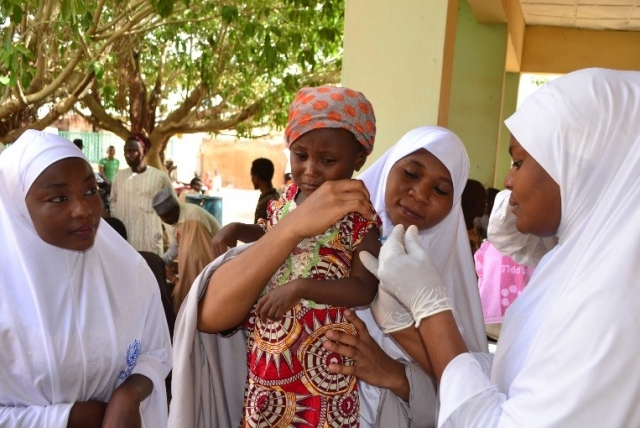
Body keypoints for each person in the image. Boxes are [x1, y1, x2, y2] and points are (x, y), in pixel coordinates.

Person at [350, 68, 640, 426]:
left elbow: (499, 413)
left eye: (518, 162)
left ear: (575, 167)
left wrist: (431, 312)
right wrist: (402, 326)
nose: (507, 180)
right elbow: (510, 373)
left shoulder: (609, 300)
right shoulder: (576, 264)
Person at [195, 85, 382, 427]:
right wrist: (238, 228)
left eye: (328, 160)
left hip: (323, 363)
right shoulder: (287, 199)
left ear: (358, 160)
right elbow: (272, 236)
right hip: (270, 353)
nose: (311, 170)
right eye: (300, 155)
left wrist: (300, 288)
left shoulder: (358, 216)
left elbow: (364, 288)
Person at [0, 130, 172, 427]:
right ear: (18, 208)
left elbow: (156, 350)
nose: (83, 210)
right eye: (59, 198)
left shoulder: (129, 270)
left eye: (90, 191)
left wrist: (130, 393)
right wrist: (66, 418)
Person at [323, 126, 488, 427]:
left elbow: (474, 398)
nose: (420, 194)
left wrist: (395, 375)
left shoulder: (447, 276)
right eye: (411, 174)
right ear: (389, 168)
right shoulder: (333, 237)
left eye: (440, 190)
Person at [152, 186, 221, 312]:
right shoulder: (169, 221)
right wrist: (158, 262)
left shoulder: (194, 216)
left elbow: (204, 252)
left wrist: (174, 277)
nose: (166, 220)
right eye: (163, 218)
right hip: (195, 262)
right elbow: (175, 248)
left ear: (176, 207)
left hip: (213, 257)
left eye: (168, 216)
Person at [110, 133, 172, 254]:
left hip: (150, 241)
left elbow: (171, 208)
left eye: (133, 151)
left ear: (144, 151)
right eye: (125, 151)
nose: (128, 155)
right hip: (125, 241)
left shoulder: (159, 177)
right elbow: (113, 201)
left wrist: (161, 230)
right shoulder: (119, 176)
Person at [250, 157, 280, 223]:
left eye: (251, 176)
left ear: (256, 177)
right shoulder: (277, 196)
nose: (251, 179)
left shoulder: (264, 203)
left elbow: (259, 231)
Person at [461, 178, 486, 254]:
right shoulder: (461, 235)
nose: (486, 204)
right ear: (472, 202)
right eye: (484, 199)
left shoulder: (473, 227)